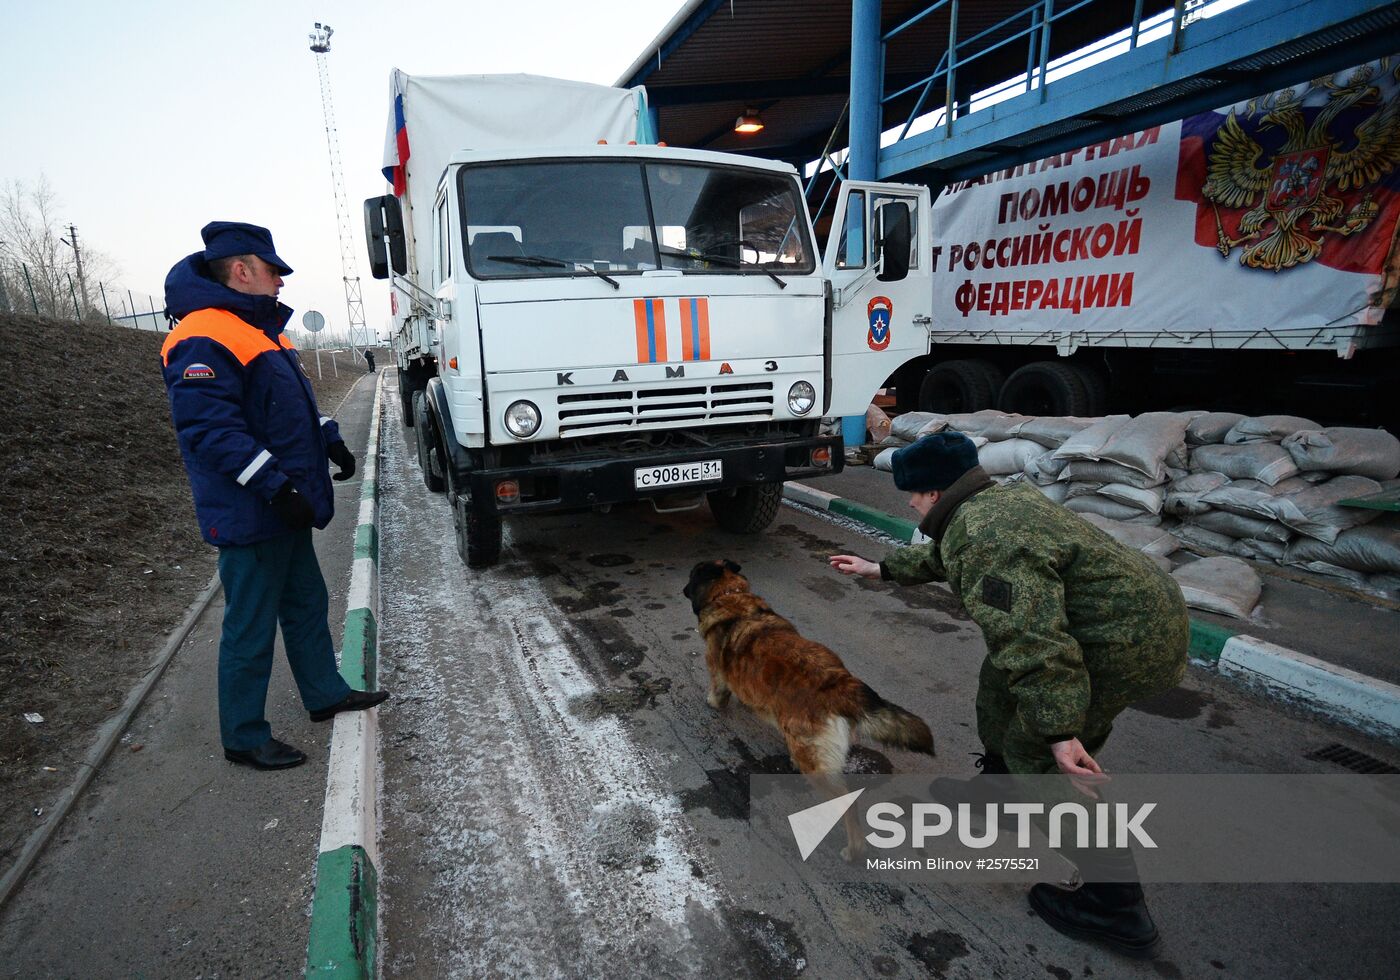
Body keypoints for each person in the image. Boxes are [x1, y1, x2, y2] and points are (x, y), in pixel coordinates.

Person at [829, 431, 1188, 958]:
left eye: (913, 493)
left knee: (1039, 751)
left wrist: (1060, 732)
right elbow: (948, 556)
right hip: (1124, 619)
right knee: (1001, 684)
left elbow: (1033, 639)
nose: (908, 502)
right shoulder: (990, 501)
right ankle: (1000, 788)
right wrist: (880, 568)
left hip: (1123, 642)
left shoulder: (985, 534)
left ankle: (1115, 903)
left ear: (934, 492)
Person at [161, 221, 389, 771]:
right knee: (251, 625)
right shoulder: (202, 335)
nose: (282, 280)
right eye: (273, 270)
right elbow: (213, 433)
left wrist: (330, 440)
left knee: (306, 603)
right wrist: (277, 485)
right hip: (252, 511)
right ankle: (243, 735)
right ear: (242, 270)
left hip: (283, 507)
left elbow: (289, 411)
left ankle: (324, 693)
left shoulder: (262, 331)